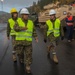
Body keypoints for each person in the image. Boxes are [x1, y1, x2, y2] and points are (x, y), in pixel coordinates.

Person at [14, 8, 38, 73]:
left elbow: (34, 31)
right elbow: (15, 28)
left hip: (28, 42)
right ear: (22, 15)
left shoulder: (31, 22)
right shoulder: (18, 21)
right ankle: (21, 58)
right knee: (20, 54)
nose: (26, 16)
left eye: (27, 14)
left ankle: (28, 66)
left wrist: (35, 37)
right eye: (25, 14)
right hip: (19, 42)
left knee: (29, 54)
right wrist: (22, 28)